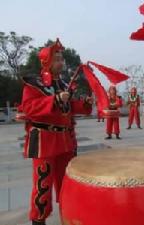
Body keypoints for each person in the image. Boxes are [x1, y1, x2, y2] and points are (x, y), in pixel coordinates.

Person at [20, 39, 93, 225]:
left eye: (62, 59)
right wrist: (54, 100)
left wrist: (84, 104)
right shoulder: (33, 84)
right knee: (42, 184)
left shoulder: (64, 84)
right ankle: (39, 219)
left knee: (67, 183)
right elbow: (28, 108)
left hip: (65, 139)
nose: (61, 62)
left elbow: (69, 107)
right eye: (57, 59)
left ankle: (67, 216)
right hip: (44, 140)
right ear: (46, 62)